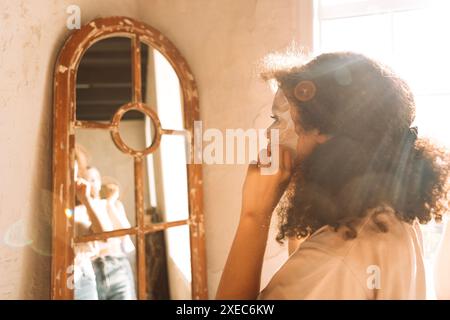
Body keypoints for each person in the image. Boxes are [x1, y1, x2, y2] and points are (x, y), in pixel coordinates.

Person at [216, 52, 450, 299]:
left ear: (321, 132)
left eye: (277, 120)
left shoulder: (334, 258)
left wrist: (254, 216)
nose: (268, 133)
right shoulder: (389, 217)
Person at [75, 165, 136, 300]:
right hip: (92, 267)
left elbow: (124, 233)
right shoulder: (78, 211)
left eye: (93, 179)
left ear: (100, 182)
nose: (90, 184)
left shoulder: (113, 205)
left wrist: (110, 204)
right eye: (85, 179)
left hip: (117, 264)